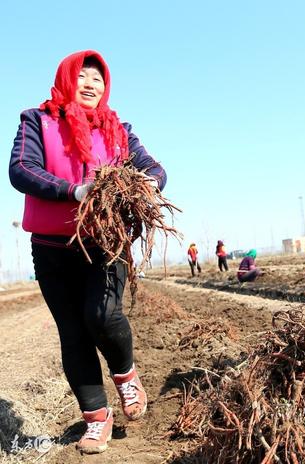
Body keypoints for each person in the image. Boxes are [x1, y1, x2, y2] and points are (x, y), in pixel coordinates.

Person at [9, 50, 166, 454]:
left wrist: (146, 184)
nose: (91, 83)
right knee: (73, 332)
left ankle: (126, 375)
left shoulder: (120, 129)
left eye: (98, 78)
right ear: (66, 80)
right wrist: (73, 191)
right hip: (51, 248)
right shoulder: (37, 120)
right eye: (82, 76)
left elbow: (152, 167)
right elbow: (21, 169)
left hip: (105, 243)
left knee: (102, 314)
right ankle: (96, 420)